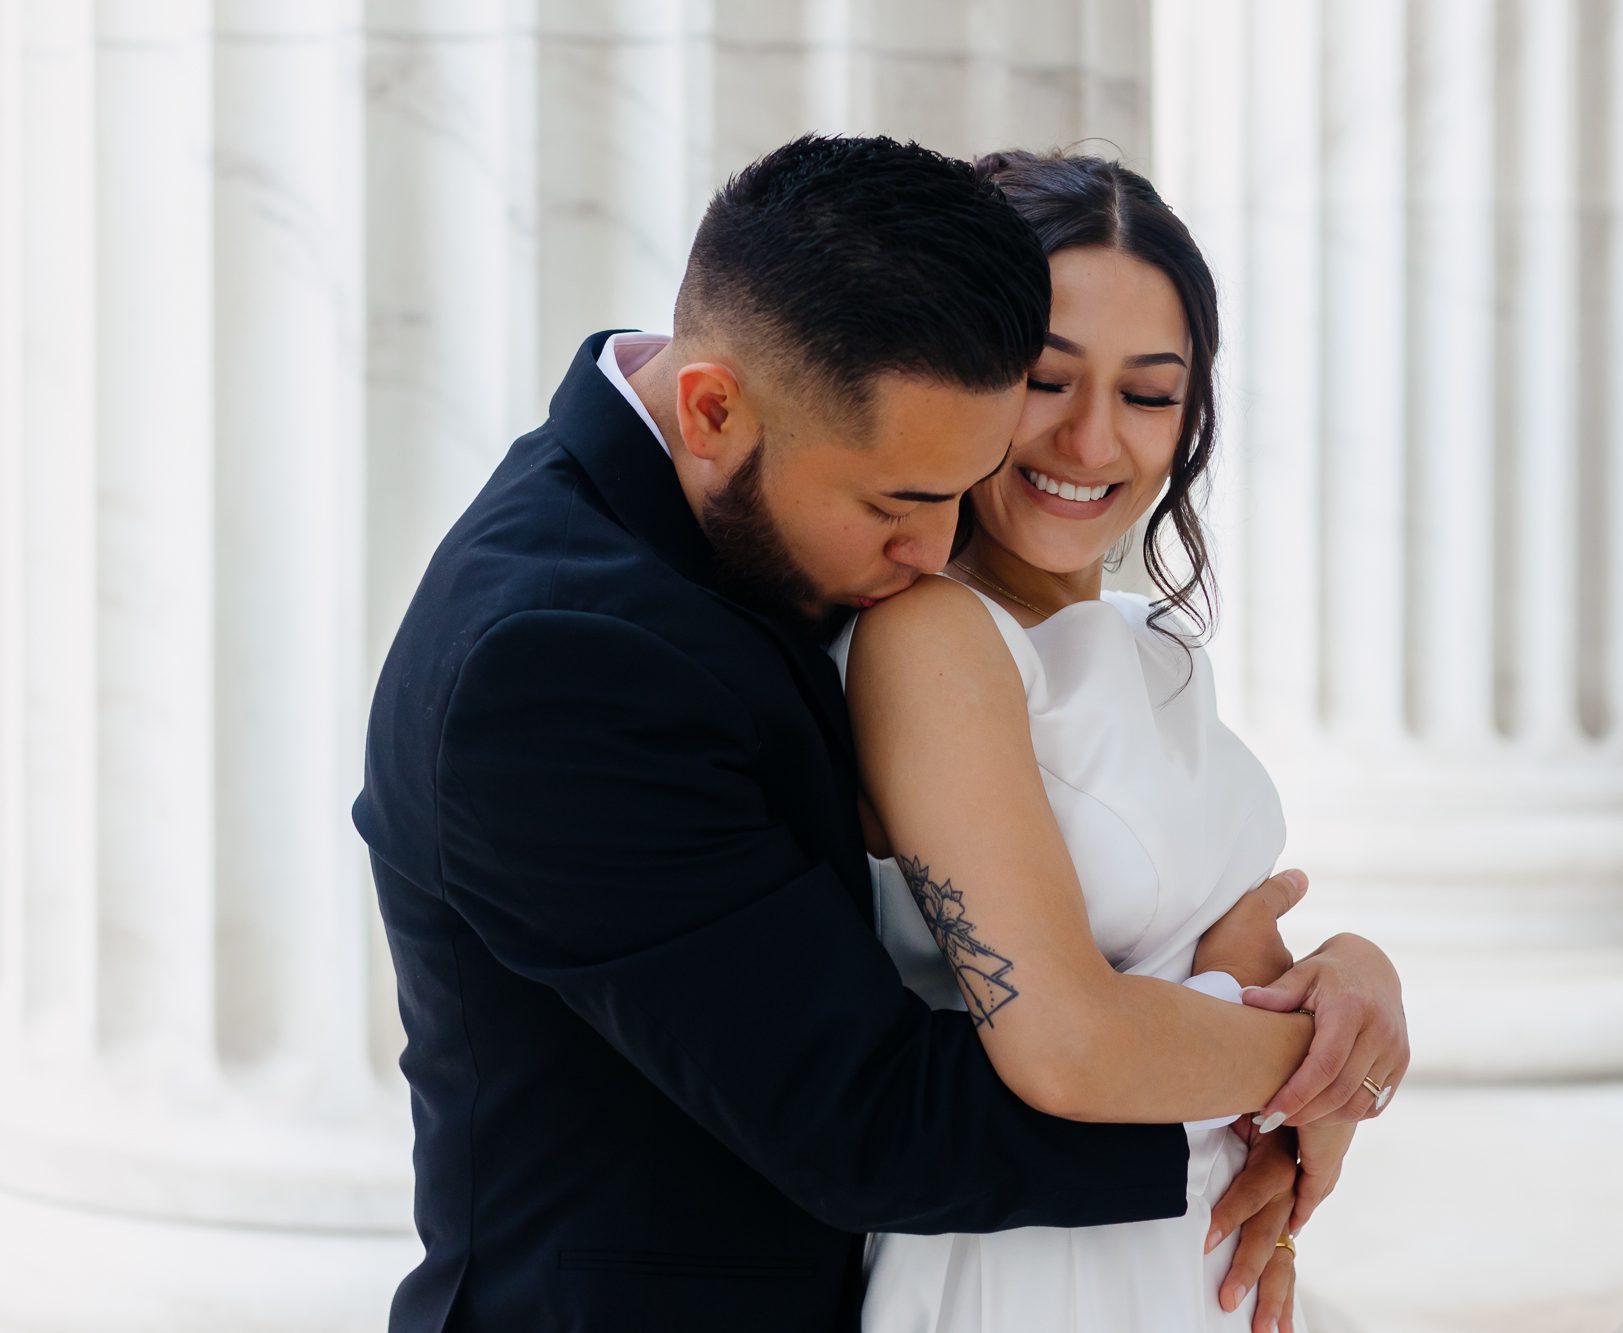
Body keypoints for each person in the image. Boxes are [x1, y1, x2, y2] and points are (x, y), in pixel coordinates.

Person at [353, 133, 1404, 1332]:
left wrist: (1347, 986)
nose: (924, 552)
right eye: (897, 505)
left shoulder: (778, 495)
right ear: (709, 409)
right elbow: (866, 1115)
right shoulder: (552, 660)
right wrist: (1310, 1071)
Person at [835, 150, 1409, 1333]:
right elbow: (1072, 1047)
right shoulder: (930, 640)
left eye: (1148, 395)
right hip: (1030, 1272)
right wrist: (1330, 1067)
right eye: (1047, 381)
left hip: (1191, 1250)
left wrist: (1354, 969)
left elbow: (1239, 948)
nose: (1092, 444)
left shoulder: (1152, 644)